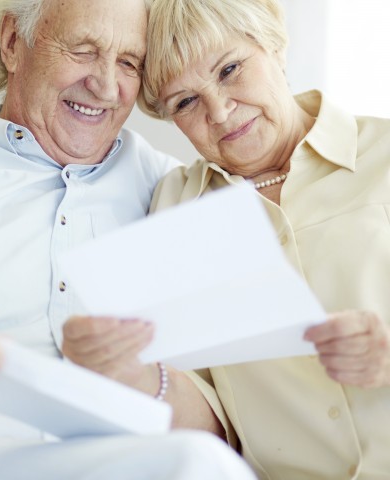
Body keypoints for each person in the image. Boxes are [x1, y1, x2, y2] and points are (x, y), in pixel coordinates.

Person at [0, 0, 258, 478]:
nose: (107, 85)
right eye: (83, 50)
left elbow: (234, 422)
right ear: (13, 43)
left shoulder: (172, 190)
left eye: (128, 63)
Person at [63, 0, 390, 478]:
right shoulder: (174, 208)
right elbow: (210, 425)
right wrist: (129, 372)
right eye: (185, 102)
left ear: (274, 44)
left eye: (230, 69)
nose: (218, 110)